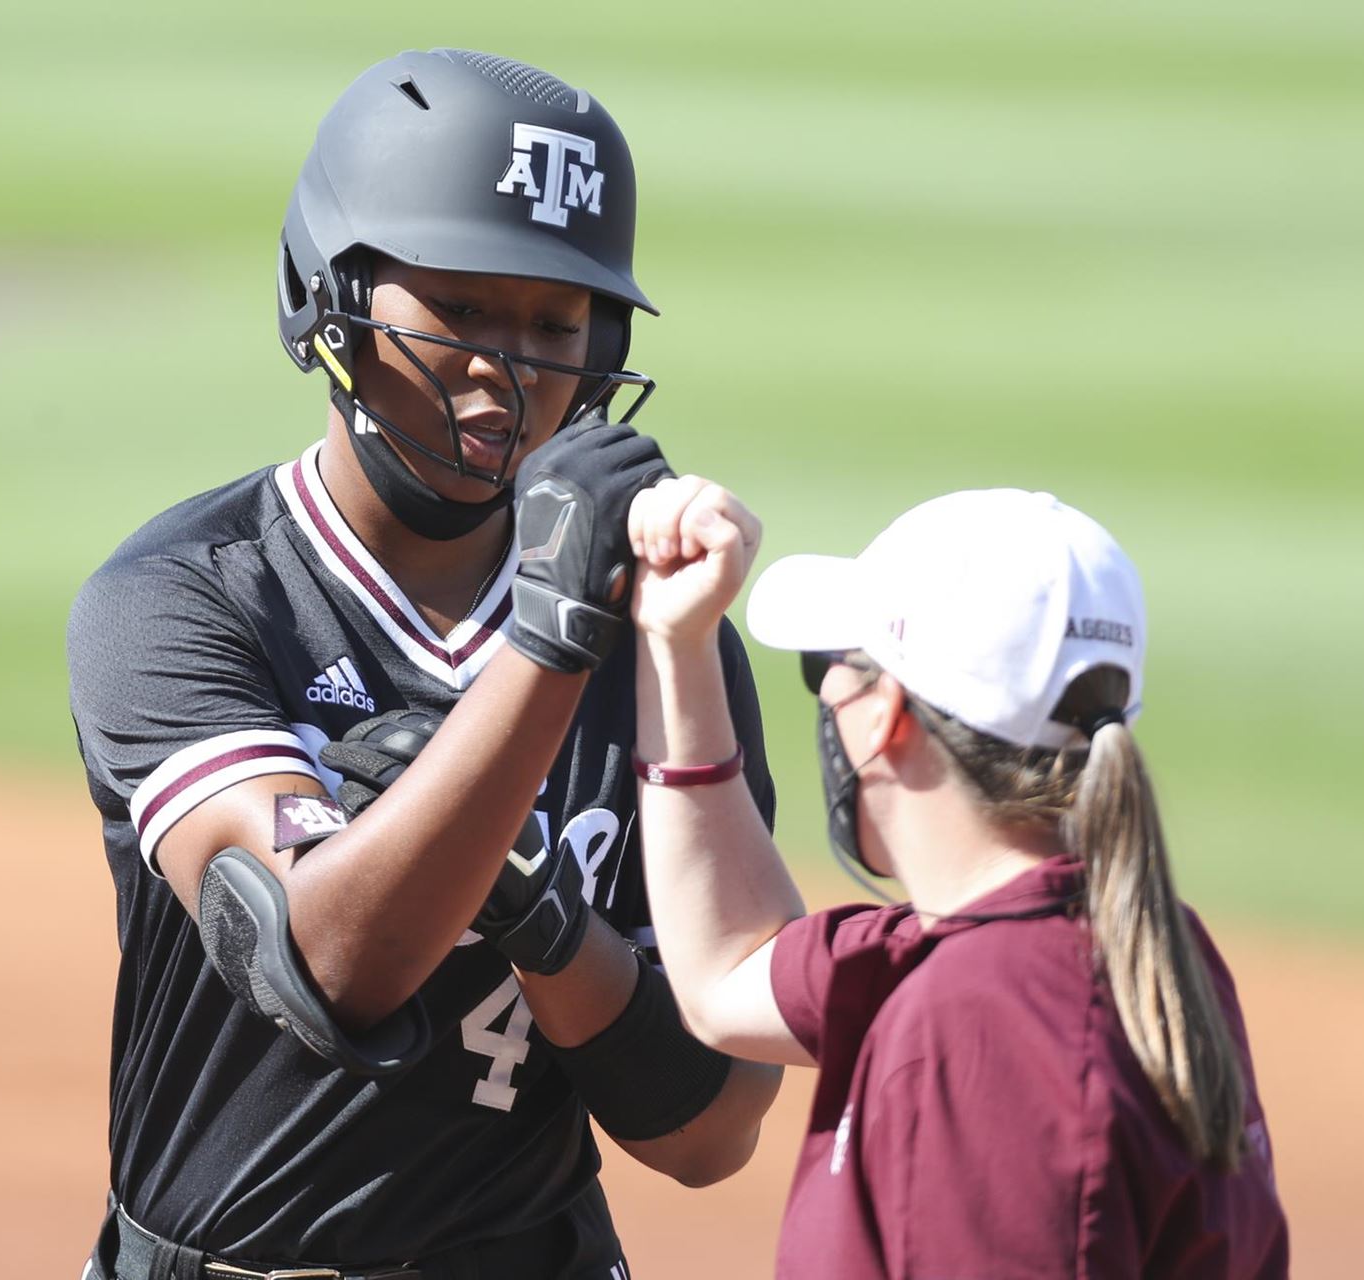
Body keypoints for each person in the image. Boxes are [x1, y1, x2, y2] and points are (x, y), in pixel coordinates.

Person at [65, 49, 782, 1280]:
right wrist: (554, 640)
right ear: (331, 296)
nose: (508, 367)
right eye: (460, 307)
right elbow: (327, 965)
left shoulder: (665, 636)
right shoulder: (185, 595)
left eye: (558, 322)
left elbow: (710, 1126)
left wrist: (537, 908)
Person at [623, 480, 1290, 1277]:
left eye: (827, 666)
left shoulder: (976, 1029)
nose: (826, 693)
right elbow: (724, 974)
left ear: (885, 712)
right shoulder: (1139, 941)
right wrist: (677, 644)